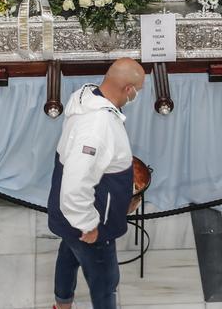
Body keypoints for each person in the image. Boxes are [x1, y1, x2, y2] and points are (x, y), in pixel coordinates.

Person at [47, 57, 146, 309]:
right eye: (137, 90)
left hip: (70, 219)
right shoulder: (96, 127)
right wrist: (89, 225)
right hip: (91, 221)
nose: (136, 95)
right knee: (105, 281)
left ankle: (62, 305)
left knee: (68, 255)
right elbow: (76, 182)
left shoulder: (88, 94)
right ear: (128, 89)